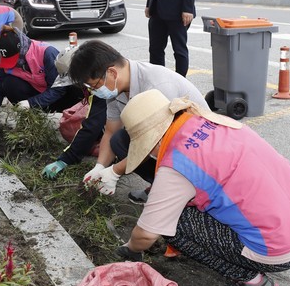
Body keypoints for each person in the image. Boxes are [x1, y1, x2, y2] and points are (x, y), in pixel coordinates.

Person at [116, 89, 290, 286]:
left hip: (277, 250)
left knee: (175, 224)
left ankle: (253, 283)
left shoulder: (177, 163)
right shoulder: (214, 121)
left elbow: (146, 234)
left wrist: (130, 249)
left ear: (149, 142)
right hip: (287, 222)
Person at [66, 40, 208, 203]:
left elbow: (156, 143)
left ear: (112, 72)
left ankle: (186, 194)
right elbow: (111, 131)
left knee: (137, 143)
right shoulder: (116, 89)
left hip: (196, 150)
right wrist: (100, 167)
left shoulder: (156, 86)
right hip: (166, 143)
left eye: (95, 85)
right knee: (119, 140)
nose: (95, 91)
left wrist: (115, 172)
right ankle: (161, 186)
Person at [0, 27, 85, 115]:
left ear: (21, 49)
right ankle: (31, 115)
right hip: (39, 97)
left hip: (61, 98)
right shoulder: (6, 58)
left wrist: (32, 103)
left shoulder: (46, 53)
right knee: (8, 83)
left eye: (14, 59)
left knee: (77, 89)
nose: (12, 64)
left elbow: (58, 89)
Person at [41, 47, 107, 179]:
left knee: (115, 142)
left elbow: (91, 125)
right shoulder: (97, 81)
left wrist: (65, 160)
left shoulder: (103, 88)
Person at [145, 0, 198, 77]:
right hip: (157, 8)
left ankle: (180, 83)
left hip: (177, 10)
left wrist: (188, 8)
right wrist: (149, 3)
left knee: (179, 50)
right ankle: (158, 80)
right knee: (155, 49)